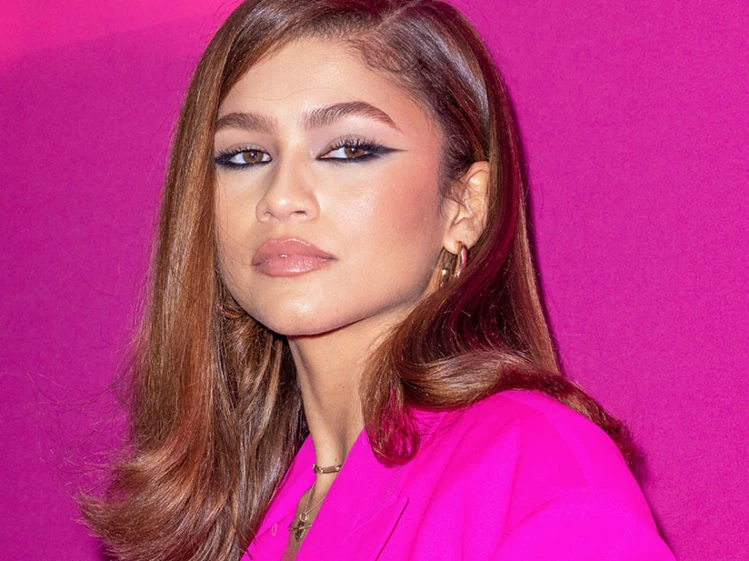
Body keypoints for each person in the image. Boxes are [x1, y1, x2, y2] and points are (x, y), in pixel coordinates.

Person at [83, 1, 675, 560]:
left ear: (465, 204)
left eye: (347, 150)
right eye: (245, 156)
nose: (280, 198)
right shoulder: (242, 510)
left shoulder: (536, 467)